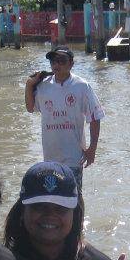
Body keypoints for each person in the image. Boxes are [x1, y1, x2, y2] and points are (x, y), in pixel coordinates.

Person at [24, 47, 105, 188]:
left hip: (73, 158)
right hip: (50, 158)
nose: (57, 65)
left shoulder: (82, 86)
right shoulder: (43, 86)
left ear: (71, 64)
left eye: (62, 61)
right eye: (53, 61)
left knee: (74, 199)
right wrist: (29, 85)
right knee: (54, 203)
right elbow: (31, 108)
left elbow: (95, 118)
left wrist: (92, 149)